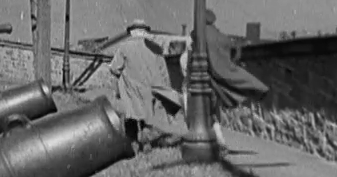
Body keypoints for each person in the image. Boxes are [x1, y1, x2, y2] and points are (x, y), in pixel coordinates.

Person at [183, 9, 269, 151]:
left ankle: (213, 142)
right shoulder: (220, 36)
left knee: (200, 115)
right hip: (215, 84)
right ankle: (219, 141)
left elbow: (191, 61)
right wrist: (231, 64)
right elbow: (235, 48)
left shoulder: (200, 35)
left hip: (202, 83)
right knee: (214, 114)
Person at [109, 19, 184, 151]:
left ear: (132, 32)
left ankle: (133, 144)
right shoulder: (154, 47)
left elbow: (115, 68)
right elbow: (163, 71)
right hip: (149, 89)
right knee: (146, 116)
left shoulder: (124, 47)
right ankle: (146, 141)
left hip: (130, 89)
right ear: (145, 32)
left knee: (131, 116)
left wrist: (117, 85)